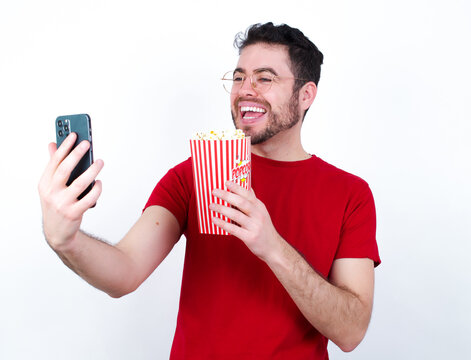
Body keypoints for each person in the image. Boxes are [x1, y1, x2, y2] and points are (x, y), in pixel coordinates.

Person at [38, 22, 381, 359]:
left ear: (305, 94)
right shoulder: (193, 174)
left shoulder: (351, 194)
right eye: (238, 77)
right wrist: (66, 239)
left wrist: (272, 247)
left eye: (265, 78)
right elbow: (124, 272)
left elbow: (350, 332)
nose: (246, 89)